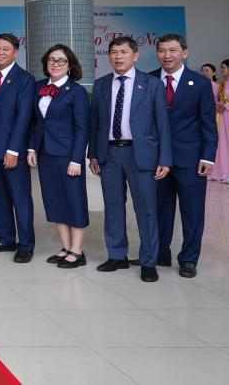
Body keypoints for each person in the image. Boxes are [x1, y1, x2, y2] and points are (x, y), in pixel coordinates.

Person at [89, 36, 172, 283]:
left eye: (123, 52)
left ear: (135, 56)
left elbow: (163, 124)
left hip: (141, 153)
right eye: (114, 52)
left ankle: (148, 261)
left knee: (146, 209)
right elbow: (96, 124)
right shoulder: (102, 84)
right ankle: (117, 255)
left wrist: (165, 159)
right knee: (113, 207)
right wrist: (93, 153)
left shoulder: (151, 84)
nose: (118, 56)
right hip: (110, 153)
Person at [147, 34, 217, 278]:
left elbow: (208, 123)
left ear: (184, 53)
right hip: (157, 159)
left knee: (192, 211)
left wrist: (208, 157)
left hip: (190, 158)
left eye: (173, 50)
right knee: (159, 209)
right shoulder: (149, 80)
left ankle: (188, 259)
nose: (167, 55)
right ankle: (159, 253)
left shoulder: (199, 83)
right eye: (162, 50)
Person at [27, 45, 90, 269]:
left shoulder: (77, 92)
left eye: (61, 61)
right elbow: (36, 123)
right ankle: (65, 247)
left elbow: (83, 128)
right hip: (45, 153)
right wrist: (32, 148)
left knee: (74, 200)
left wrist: (76, 159)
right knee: (54, 201)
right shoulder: (38, 88)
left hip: (67, 155)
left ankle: (78, 250)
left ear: (70, 66)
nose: (55, 64)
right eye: (52, 60)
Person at [0, 33, 36, 263]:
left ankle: (26, 244)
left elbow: (24, 116)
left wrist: (14, 150)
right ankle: (6, 238)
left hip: (12, 150)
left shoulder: (25, 79)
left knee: (20, 197)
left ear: (16, 52)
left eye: (6, 49)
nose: (0, 53)